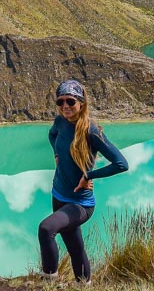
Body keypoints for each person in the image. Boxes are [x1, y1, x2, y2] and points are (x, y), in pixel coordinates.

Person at [38, 79, 128, 283]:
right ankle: (84, 285)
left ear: (81, 102)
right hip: (58, 195)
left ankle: (48, 282)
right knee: (75, 247)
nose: (65, 107)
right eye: (60, 102)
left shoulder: (92, 131)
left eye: (70, 101)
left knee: (46, 229)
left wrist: (89, 175)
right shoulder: (60, 121)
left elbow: (121, 163)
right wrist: (56, 153)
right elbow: (52, 135)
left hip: (80, 203)